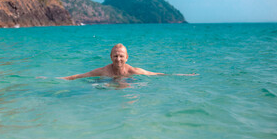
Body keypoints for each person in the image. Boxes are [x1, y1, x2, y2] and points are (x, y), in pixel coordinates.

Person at [61, 44, 197, 80]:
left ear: (126, 57)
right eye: (115, 56)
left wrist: (184, 75)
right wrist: (56, 79)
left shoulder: (133, 71)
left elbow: (155, 74)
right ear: (110, 57)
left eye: (121, 56)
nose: (118, 59)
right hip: (107, 82)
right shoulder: (104, 71)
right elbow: (81, 76)